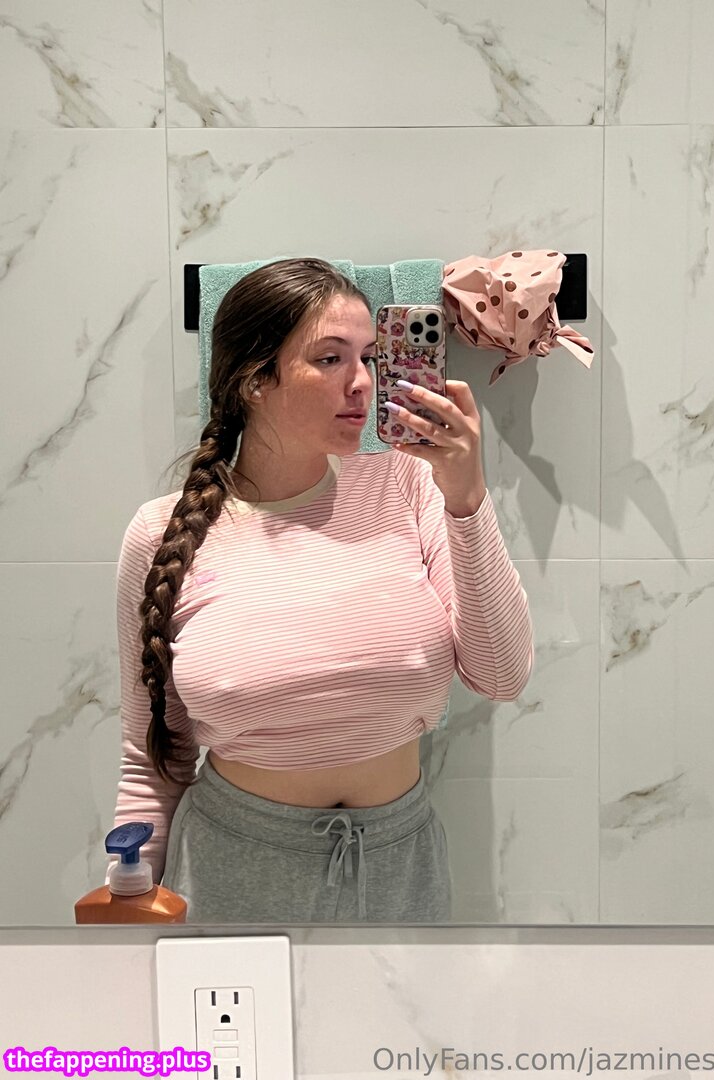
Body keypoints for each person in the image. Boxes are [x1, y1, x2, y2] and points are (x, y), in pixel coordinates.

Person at [109, 257, 534, 923]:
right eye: (330, 359)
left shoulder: (409, 485)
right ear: (254, 379)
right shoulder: (163, 533)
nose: (362, 382)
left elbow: (502, 676)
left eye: (369, 357)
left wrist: (467, 498)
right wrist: (127, 916)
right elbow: (151, 760)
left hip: (400, 864)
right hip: (231, 869)